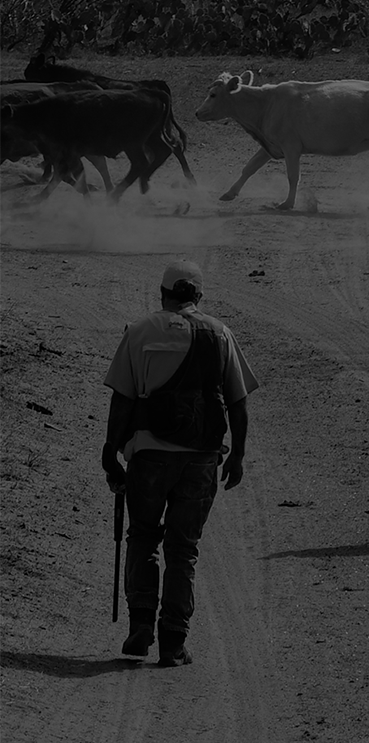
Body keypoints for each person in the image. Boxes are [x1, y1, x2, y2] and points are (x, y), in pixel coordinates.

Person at [102, 259, 259, 666]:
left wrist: (109, 451)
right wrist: (237, 455)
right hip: (201, 457)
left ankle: (140, 624)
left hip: (149, 455)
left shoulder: (139, 332)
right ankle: (173, 642)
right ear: (198, 297)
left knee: (142, 536)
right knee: (183, 548)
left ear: (163, 295)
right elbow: (238, 403)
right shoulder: (220, 333)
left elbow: (122, 400)